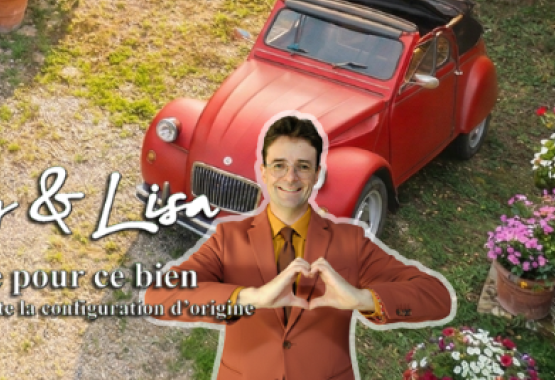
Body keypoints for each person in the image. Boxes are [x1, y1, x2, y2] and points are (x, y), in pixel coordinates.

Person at [144, 114, 454, 380]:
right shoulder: (229, 238)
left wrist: (362, 299)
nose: (290, 177)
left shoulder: (350, 241)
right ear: (263, 172)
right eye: (279, 165)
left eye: (303, 166)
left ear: (317, 175)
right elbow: (159, 295)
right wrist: (250, 298)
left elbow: (436, 296)